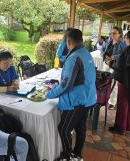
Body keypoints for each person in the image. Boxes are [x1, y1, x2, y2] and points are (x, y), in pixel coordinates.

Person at [46, 28, 96, 161]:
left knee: (63, 129)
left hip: (76, 101)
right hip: (87, 97)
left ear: (68, 42)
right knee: (80, 127)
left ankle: (67, 156)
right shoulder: (85, 52)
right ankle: (77, 154)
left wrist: (49, 94)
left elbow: (66, 85)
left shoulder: (74, 57)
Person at [103, 26, 126, 109]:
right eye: (111, 33)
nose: (112, 34)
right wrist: (104, 56)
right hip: (106, 64)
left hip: (115, 66)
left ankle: (112, 102)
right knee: (105, 81)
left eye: (114, 33)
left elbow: (125, 56)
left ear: (120, 34)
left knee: (113, 84)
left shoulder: (122, 44)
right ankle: (105, 98)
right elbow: (104, 50)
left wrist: (113, 57)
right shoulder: (109, 41)